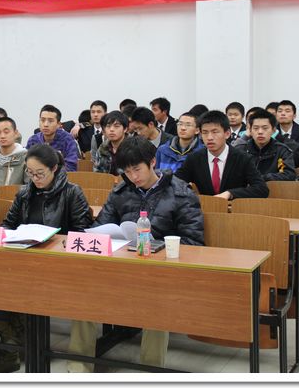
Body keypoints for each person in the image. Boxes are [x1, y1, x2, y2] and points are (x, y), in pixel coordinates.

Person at [69, 135, 204, 373]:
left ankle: (151, 370)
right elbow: (102, 227)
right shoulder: (121, 191)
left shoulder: (181, 193)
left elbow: (194, 243)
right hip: (120, 268)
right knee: (84, 296)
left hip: (160, 273)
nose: (133, 177)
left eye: (137, 169)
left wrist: (157, 246)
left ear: (152, 162)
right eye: (127, 171)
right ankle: (79, 367)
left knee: (156, 305)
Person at [0, 144, 92, 372]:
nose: (34, 179)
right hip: (25, 258)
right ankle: (11, 347)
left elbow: (83, 232)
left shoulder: (72, 192)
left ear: (54, 169)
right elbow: (8, 224)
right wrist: (8, 236)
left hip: (59, 263)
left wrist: (60, 242)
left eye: (40, 174)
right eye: (30, 173)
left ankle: (22, 344)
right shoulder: (24, 193)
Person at [175, 110, 268, 200]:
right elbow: (176, 182)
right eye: (205, 132)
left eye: (215, 132)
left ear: (227, 134)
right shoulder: (194, 159)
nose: (209, 137)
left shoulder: (242, 158)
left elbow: (261, 189)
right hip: (204, 208)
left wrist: (230, 193)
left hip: (232, 208)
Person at [233, 108, 297, 181]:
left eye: (265, 128)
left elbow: (289, 174)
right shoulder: (240, 150)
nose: (260, 132)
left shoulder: (282, 151)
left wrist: (262, 178)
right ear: (250, 130)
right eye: (256, 128)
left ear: (273, 130)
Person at [26, 105, 79, 172]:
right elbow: (26, 164)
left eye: (50, 121)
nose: (45, 124)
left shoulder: (67, 140)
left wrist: (49, 173)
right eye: (42, 120)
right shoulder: (33, 140)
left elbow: (71, 166)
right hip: (36, 176)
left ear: (58, 124)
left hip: (60, 177)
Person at [92, 111, 129, 175]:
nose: (111, 129)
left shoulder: (133, 148)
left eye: (116, 126)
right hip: (105, 181)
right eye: (108, 126)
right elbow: (97, 172)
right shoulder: (102, 148)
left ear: (125, 129)